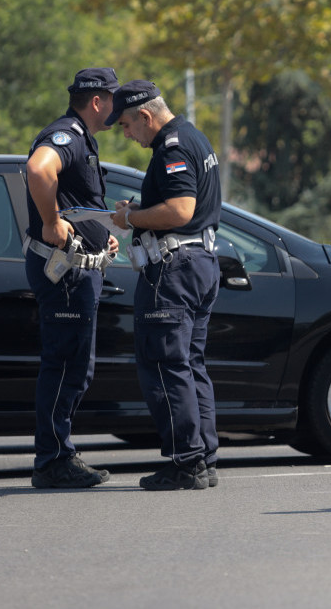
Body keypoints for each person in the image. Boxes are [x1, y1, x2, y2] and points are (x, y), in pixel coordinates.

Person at [107, 80, 222, 491]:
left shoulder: (171, 147)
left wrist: (129, 219)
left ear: (145, 116)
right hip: (199, 263)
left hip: (175, 270)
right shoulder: (193, 137)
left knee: (165, 364)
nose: (126, 134)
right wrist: (141, 210)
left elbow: (179, 210)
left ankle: (186, 462)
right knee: (189, 363)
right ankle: (203, 459)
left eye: (125, 124)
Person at [24, 67, 121, 489]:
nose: (118, 107)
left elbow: (77, 201)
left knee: (74, 367)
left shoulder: (83, 138)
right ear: (97, 101)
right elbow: (38, 171)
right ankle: (52, 460)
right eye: (114, 98)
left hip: (78, 270)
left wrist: (102, 236)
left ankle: (58, 454)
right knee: (65, 366)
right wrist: (50, 222)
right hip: (65, 273)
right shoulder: (67, 135)